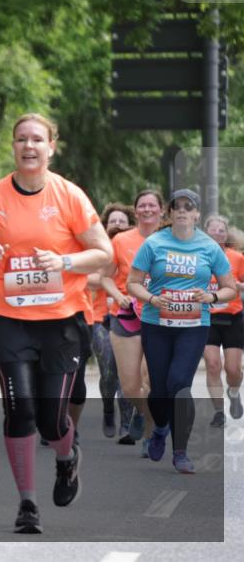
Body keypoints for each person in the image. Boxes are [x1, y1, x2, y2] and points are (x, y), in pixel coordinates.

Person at [0, 113, 112, 535]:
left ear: (51, 147)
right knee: (19, 411)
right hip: (10, 319)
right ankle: (27, 503)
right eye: (21, 139)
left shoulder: (69, 195)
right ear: (13, 146)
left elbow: (103, 253)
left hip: (61, 321)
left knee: (51, 420)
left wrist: (64, 261)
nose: (29, 146)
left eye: (37, 140)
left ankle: (67, 458)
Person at [127, 189, 236, 474]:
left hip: (193, 326)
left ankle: (180, 452)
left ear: (197, 214)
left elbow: (230, 288)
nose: (183, 211)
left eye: (189, 207)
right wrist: (152, 299)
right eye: (178, 207)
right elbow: (132, 283)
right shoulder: (154, 243)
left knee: (179, 384)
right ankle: (160, 427)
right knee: (158, 391)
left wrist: (211, 297)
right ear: (170, 213)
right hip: (156, 325)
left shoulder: (209, 247)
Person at [100, 190, 165, 457]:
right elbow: (105, 277)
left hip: (160, 317)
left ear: (161, 210)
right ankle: (143, 412)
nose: (147, 209)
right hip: (126, 316)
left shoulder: (172, 240)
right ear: (135, 211)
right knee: (129, 386)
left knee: (150, 378)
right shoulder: (121, 240)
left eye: (152, 205)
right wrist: (118, 297)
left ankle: (151, 434)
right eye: (142, 205)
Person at [93, 203, 137, 441]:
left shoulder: (136, 248)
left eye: (122, 221)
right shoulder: (97, 249)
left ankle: (126, 426)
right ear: (105, 225)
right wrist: (103, 279)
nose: (118, 225)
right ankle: (108, 407)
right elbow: (85, 278)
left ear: (130, 224)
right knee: (108, 373)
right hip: (100, 316)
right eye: (113, 221)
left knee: (126, 373)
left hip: (129, 317)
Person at [200, 215, 244, 427]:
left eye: (221, 230)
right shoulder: (197, 257)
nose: (217, 233)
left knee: (233, 369)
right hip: (206, 317)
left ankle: (234, 392)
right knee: (212, 364)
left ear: (226, 235)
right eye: (213, 230)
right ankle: (219, 411)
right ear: (205, 233)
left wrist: (237, 286)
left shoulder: (236, 258)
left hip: (233, 317)